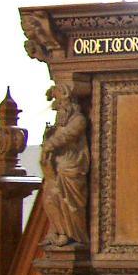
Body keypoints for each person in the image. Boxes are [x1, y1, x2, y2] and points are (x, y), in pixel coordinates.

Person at [41, 85, 89, 246]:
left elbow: (68, 135)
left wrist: (50, 144)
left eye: (60, 103)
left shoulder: (78, 120)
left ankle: (72, 234)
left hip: (71, 166)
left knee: (69, 201)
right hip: (55, 166)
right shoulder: (59, 123)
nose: (58, 107)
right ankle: (58, 230)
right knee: (50, 198)